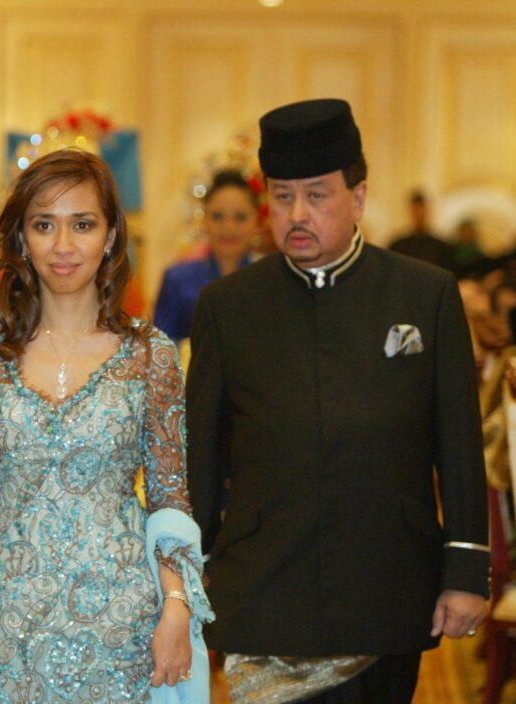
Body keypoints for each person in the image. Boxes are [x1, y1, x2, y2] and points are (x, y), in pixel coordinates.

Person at [0, 148, 210, 702]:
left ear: (111, 237)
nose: (65, 245)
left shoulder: (151, 355)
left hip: (122, 616)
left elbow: (171, 496)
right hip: (7, 615)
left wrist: (175, 605)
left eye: (83, 224)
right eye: (44, 225)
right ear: (22, 240)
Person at [186, 98, 488, 703]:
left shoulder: (424, 295)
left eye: (318, 195)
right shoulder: (228, 306)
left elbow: (457, 445)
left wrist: (465, 571)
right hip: (263, 588)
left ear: (359, 197)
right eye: (282, 195)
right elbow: (201, 458)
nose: (298, 214)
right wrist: (186, 580)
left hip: (387, 585)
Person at [153, 170, 259, 344]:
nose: (228, 227)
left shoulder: (269, 279)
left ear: (256, 220)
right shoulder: (177, 280)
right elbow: (161, 352)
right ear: (205, 219)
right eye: (218, 217)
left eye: (240, 217)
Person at [388, 189, 457, 273]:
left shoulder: (441, 247)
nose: (419, 216)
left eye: (422, 211)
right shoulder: (398, 246)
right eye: (416, 211)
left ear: (427, 212)